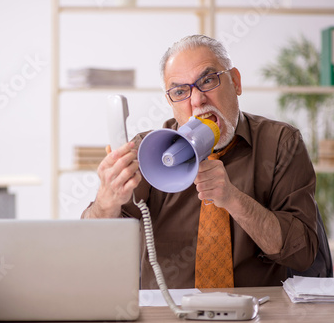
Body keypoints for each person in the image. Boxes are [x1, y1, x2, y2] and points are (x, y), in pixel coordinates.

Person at [82, 34, 320, 289]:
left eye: (208, 80)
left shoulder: (281, 143)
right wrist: (106, 203)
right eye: (180, 91)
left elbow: (302, 255)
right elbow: (92, 251)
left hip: (256, 309)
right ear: (170, 102)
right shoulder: (148, 152)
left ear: (236, 82)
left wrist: (232, 198)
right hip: (169, 311)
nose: (197, 100)